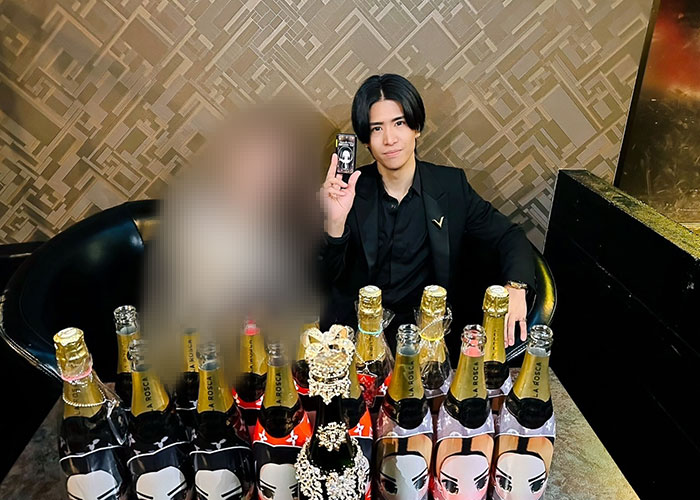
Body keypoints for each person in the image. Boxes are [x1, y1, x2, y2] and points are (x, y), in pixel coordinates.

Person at [318, 74, 535, 359]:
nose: (390, 139)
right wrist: (334, 223)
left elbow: (509, 235)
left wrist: (516, 286)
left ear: (416, 127)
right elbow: (324, 280)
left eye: (399, 123)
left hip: (428, 342)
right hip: (358, 341)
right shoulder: (348, 191)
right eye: (376, 128)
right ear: (366, 140)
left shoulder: (451, 187)